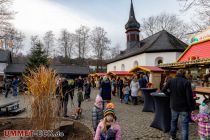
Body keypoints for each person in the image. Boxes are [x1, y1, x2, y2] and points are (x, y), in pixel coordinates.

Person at [162, 69, 196, 140]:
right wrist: (192, 108)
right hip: (184, 107)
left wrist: (170, 94)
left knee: (173, 122)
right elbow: (189, 97)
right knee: (184, 125)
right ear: (184, 74)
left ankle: (172, 137)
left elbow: (163, 90)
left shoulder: (171, 80)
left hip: (174, 105)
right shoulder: (186, 82)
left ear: (177, 73)